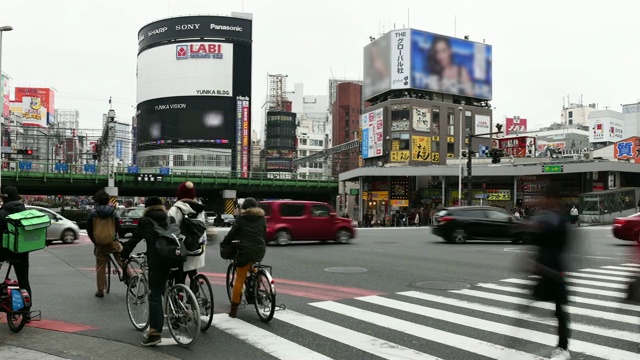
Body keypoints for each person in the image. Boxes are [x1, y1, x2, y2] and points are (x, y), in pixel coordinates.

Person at [528, 183, 572, 360]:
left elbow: (560, 244)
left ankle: (563, 347)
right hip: (544, 268)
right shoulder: (546, 217)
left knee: (560, 310)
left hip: (553, 269)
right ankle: (562, 347)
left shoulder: (558, 219)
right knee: (557, 308)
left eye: (546, 198)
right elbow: (536, 240)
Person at [121, 196, 169, 347]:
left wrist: (124, 254)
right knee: (169, 288)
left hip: (158, 261)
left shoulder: (145, 221)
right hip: (175, 259)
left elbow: (134, 239)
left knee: (154, 296)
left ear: (146, 208)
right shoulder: (169, 218)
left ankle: (154, 333)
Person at [220, 197, 266, 318]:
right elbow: (263, 232)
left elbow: (232, 233)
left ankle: (234, 309)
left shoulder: (242, 218)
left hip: (245, 251)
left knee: (239, 278)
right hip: (260, 250)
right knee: (252, 265)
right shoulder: (262, 218)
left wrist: (224, 243)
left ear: (244, 208)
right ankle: (257, 281)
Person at [86, 190, 127, 298]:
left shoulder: (92, 213)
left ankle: (100, 290)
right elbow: (118, 226)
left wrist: (95, 242)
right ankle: (131, 278)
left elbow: (89, 230)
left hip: (100, 243)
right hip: (112, 241)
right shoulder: (113, 212)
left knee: (100, 267)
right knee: (121, 259)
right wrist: (116, 236)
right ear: (108, 200)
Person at [0, 186, 32, 321]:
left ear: (5, 197)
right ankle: (26, 312)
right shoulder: (24, 211)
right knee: (24, 280)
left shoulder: (2, 212)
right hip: (22, 251)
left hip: (4, 251)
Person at [168, 181, 206, 285]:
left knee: (180, 276)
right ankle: (194, 295)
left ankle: (179, 296)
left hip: (182, 247)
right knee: (193, 272)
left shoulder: (176, 209)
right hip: (196, 246)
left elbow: (170, 228)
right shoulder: (200, 209)